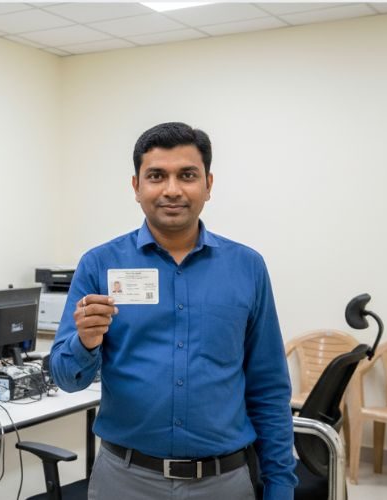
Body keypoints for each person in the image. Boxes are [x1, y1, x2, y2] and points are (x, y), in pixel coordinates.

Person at [49, 122, 296, 500]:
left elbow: (269, 387)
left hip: (224, 482)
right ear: (136, 187)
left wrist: (281, 486)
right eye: (156, 176)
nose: (172, 189)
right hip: (126, 480)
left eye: (187, 175)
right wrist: (86, 341)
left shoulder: (247, 267)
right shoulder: (99, 265)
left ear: (208, 185)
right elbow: (68, 379)